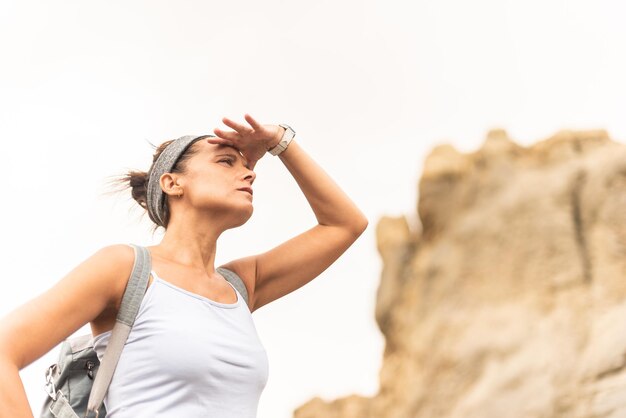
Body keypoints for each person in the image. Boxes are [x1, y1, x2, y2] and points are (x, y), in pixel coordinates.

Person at [0, 113, 369, 417]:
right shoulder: (126, 269)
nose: (249, 173)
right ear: (173, 183)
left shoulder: (242, 286)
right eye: (226, 161)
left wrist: (280, 143)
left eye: (248, 166)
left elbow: (344, 224)